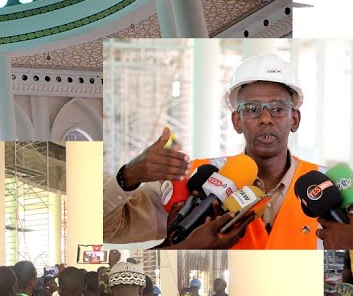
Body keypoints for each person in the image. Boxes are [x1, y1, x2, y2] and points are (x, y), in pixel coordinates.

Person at [105, 53, 326, 250]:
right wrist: (128, 176)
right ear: (237, 121)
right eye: (252, 109)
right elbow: (106, 229)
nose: (265, 119)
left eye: (277, 109)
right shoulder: (192, 180)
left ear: (295, 119)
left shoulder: (327, 188)